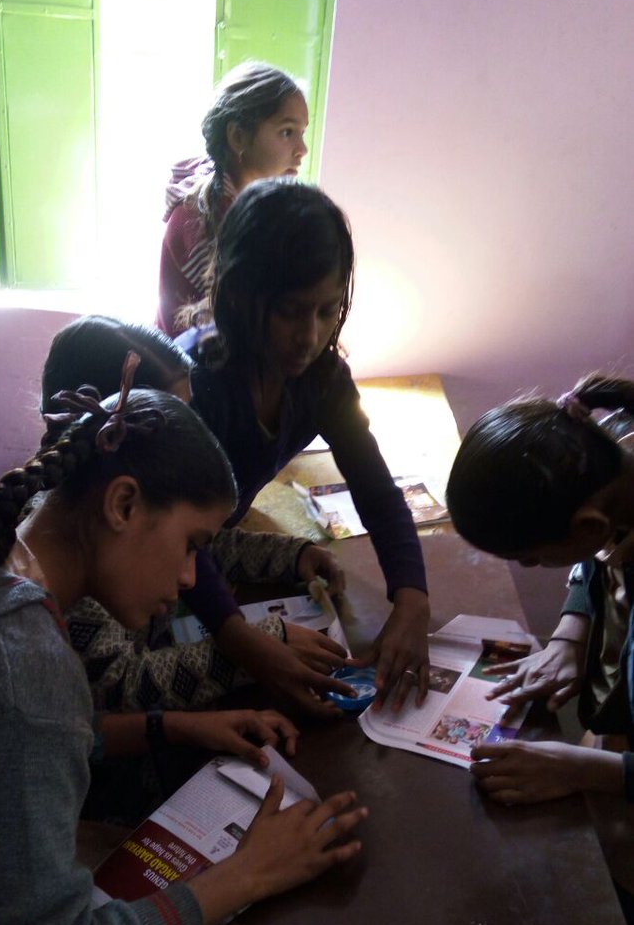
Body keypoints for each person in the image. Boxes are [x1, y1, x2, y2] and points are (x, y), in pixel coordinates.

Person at [0, 365, 367, 925]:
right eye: (189, 547)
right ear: (122, 505)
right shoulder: (25, 667)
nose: (191, 581)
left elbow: (5, 750)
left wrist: (169, 724)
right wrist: (246, 875)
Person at [40, 317, 354, 810]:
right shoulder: (61, 592)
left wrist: (290, 555)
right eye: (178, 418)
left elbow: (202, 543)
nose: (198, 437)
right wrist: (254, 647)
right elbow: (126, 687)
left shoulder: (66, 530)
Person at [445, 372, 634, 925]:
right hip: (615, 726)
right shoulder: (614, 457)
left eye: (530, 559)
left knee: (610, 924)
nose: (533, 573)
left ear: (586, 526)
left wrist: (584, 768)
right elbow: (596, 553)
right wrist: (569, 630)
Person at [178, 178, 431, 711]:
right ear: (242, 296)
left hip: (206, 550)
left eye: (327, 310)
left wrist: (411, 599)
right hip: (153, 573)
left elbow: (377, 491)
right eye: (291, 311)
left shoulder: (321, 378)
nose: (310, 335)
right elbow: (177, 540)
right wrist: (243, 640)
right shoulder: (195, 385)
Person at [156, 60, 308, 336]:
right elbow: (245, 322)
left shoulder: (250, 199)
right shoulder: (199, 219)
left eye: (302, 133)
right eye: (287, 132)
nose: (302, 149)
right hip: (185, 369)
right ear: (238, 137)